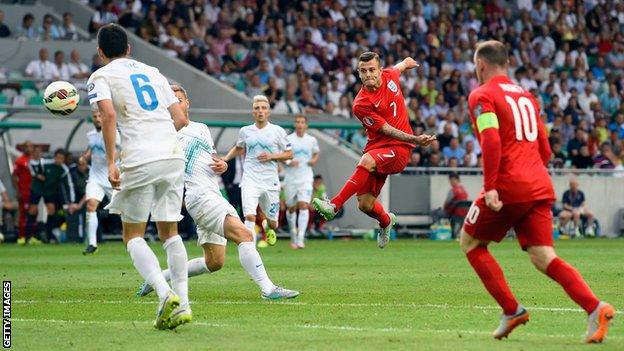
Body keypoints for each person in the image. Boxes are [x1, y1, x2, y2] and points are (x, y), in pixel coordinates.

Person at [460, 40, 613, 343]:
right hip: (538, 183)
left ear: (481, 65)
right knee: (544, 256)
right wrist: (530, 173)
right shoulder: (528, 98)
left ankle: (511, 309)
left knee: (471, 243)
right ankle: (595, 307)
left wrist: (491, 186)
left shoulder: (482, 95)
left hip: (508, 183)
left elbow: (491, 141)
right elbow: (544, 148)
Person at [136, 85, 299, 300]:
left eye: (179, 100)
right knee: (245, 235)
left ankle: (156, 278)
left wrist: (222, 165)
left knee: (214, 262)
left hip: (212, 193)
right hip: (200, 196)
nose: (176, 104)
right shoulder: (166, 137)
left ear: (187, 103)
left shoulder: (201, 128)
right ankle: (268, 289)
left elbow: (212, 158)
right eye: (172, 102)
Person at [87, 24, 190, 330]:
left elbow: (108, 116)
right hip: (172, 154)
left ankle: (164, 294)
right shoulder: (154, 72)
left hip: (140, 157)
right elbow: (181, 119)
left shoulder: (100, 76)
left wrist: (111, 162)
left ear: (101, 52)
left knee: (132, 234)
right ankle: (183, 304)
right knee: (170, 232)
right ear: (129, 48)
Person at [312, 52, 435, 248]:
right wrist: (416, 138)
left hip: (400, 149)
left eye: (371, 70)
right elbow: (385, 129)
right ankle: (386, 221)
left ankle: (334, 205)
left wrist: (407, 62)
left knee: (367, 161)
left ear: (380, 70)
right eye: (363, 71)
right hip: (379, 146)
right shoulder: (361, 104)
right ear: (358, 74)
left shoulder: (390, 76)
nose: (368, 74)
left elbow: (398, 67)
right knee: (365, 204)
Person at [223, 95, 293, 248]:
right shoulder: (245, 131)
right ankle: (250, 249)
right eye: (257, 108)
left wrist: (272, 156)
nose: (260, 111)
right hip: (250, 180)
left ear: (268, 112)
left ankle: (268, 227)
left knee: (273, 223)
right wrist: (225, 159)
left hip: (270, 182)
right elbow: (239, 147)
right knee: (249, 215)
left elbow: (289, 154)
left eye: (263, 108)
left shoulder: (277, 131)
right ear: (253, 112)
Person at [81, 109, 120, 255]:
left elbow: (123, 151)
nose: (97, 119)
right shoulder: (91, 135)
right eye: (95, 116)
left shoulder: (115, 133)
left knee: (124, 211)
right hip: (95, 177)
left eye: (99, 116)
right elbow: (90, 150)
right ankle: (92, 244)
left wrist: (112, 160)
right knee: (91, 206)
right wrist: (84, 158)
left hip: (113, 177)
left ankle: (134, 239)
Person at [283, 115, 320, 249]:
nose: (300, 124)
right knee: (291, 208)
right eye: (297, 122)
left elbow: (316, 153)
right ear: (295, 124)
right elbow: (282, 156)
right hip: (291, 179)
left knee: (303, 205)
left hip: (306, 177)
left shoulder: (311, 140)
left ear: (306, 125)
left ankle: (300, 238)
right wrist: (289, 161)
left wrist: (314, 160)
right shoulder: (288, 139)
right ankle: (293, 235)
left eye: (302, 122)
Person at [26, 148, 75, 244]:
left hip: (50, 190)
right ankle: (27, 237)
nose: (59, 160)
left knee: (51, 210)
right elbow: (31, 163)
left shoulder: (64, 170)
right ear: (55, 157)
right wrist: (36, 175)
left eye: (61, 158)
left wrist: (71, 201)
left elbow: (69, 185)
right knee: (33, 210)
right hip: (37, 188)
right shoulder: (45, 162)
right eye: (58, 158)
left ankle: (47, 236)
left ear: (64, 159)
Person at [12, 141, 33, 245]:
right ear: (24, 148)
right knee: (24, 214)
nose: (29, 149)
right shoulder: (20, 161)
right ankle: (21, 237)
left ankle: (31, 237)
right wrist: (17, 191)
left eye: (31, 146)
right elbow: (14, 177)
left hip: (33, 191)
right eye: (27, 147)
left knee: (33, 213)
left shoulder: (33, 160)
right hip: (23, 192)